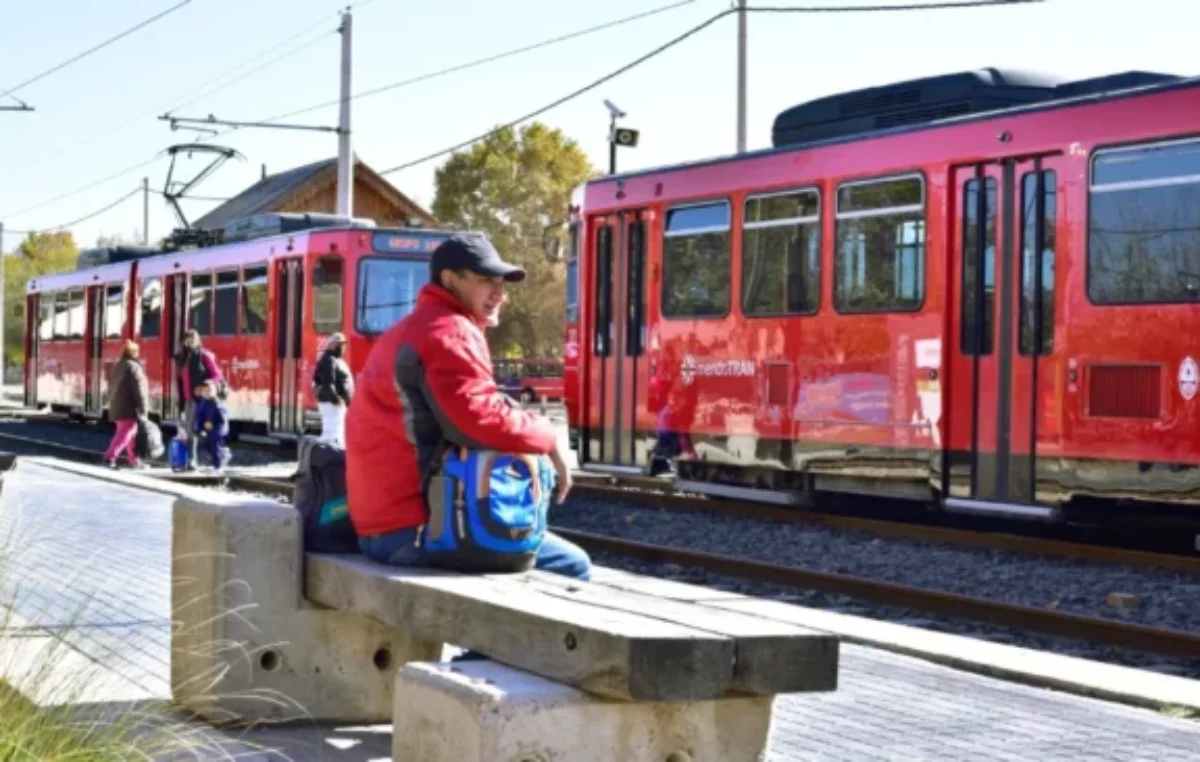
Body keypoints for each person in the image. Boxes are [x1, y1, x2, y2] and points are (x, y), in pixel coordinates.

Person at [346, 234, 587, 581]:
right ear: (449, 280)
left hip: (382, 525)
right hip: (416, 529)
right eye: (485, 280)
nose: (498, 294)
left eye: (501, 283)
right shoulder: (448, 331)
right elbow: (477, 421)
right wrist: (547, 438)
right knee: (574, 568)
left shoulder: (409, 328)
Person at [174, 330, 224, 471]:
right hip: (188, 399)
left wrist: (204, 386)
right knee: (190, 430)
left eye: (192, 339)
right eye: (186, 339)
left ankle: (216, 457)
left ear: (197, 340)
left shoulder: (204, 355)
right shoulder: (183, 357)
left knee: (199, 430)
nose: (189, 342)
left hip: (201, 399)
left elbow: (217, 375)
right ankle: (192, 460)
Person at [103, 340, 149, 469]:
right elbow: (139, 389)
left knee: (129, 434)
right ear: (134, 353)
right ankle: (110, 457)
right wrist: (143, 409)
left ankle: (134, 460)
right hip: (128, 407)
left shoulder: (119, 365)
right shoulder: (133, 367)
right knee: (126, 433)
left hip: (118, 405)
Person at [312, 333, 353, 446]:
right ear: (333, 344)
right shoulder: (329, 360)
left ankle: (334, 456)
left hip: (335, 405)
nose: (343, 347)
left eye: (344, 344)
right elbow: (328, 383)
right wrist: (337, 400)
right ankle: (329, 458)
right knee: (332, 435)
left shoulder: (334, 360)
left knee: (337, 433)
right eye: (341, 344)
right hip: (331, 404)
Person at [192, 380, 230, 473]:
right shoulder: (204, 403)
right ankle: (223, 454)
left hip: (218, 429)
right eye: (205, 391)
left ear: (215, 392)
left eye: (209, 390)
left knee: (215, 446)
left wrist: (213, 424)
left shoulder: (217, 404)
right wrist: (199, 428)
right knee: (207, 445)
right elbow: (200, 416)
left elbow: (223, 418)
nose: (207, 393)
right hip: (209, 429)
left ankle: (218, 467)